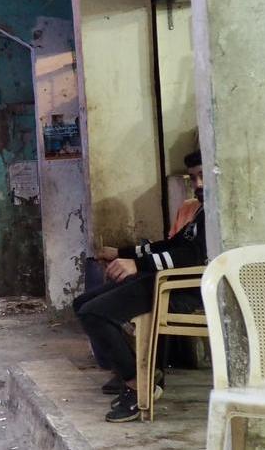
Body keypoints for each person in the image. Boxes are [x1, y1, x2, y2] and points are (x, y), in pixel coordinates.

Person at [77, 150, 208, 423]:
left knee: (94, 313)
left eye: (203, 176)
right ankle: (141, 370)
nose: (198, 185)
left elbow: (195, 256)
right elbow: (173, 246)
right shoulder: (200, 212)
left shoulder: (218, 214)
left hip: (184, 290)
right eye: (194, 178)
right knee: (82, 305)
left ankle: (138, 385)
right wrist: (124, 253)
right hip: (165, 282)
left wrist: (141, 265)